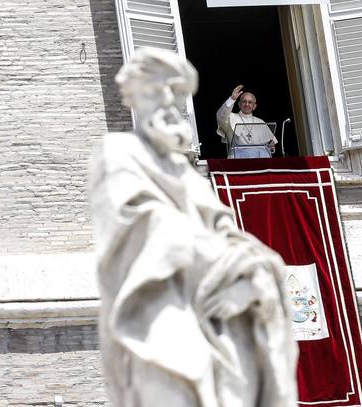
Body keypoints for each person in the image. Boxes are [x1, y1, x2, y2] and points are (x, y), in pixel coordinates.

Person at [89, 48, 298, 407]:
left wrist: (256, 268)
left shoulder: (185, 172)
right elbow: (148, 224)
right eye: (160, 94)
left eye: (176, 96)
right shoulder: (119, 153)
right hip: (160, 310)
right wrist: (221, 260)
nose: (170, 106)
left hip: (212, 311)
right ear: (138, 99)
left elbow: (224, 227)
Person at [216, 85, 278, 158]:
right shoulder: (231, 117)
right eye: (244, 101)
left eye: (250, 102)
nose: (247, 104)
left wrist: (271, 146)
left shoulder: (260, 121)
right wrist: (232, 99)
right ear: (239, 104)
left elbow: (271, 144)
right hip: (237, 159)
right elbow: (220, 116)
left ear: (254, 106)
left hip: (259, 159)